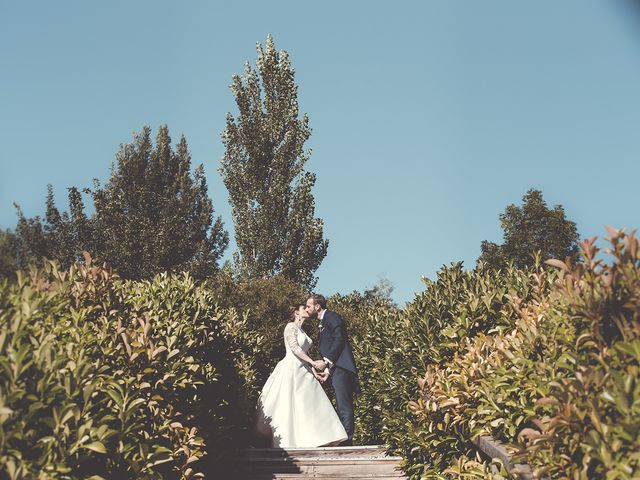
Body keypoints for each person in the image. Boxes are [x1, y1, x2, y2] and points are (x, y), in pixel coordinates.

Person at [255, 305, 348, 448]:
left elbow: (303, 353)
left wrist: (313, 370)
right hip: (291, 368)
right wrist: (313, 362)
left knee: (308, 404)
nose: (306, 309)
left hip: (304, 368)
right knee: (289, 404)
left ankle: (316, 438)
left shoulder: (302, 330)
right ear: (297, 312)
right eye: (304, 307)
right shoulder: (290, 327)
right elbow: (295, 349)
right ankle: (288, 441)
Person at [305, 294, 359, 446]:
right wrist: (328, 371)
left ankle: (347, 441)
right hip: (335, 369)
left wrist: (325, 361)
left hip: (342, 368)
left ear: (317, 306)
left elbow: (339, 340)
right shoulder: (323, 321)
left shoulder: (332, 317)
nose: (308, 309)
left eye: (309, 306)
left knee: (344, 405)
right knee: (339, 405)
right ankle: (343, 438)